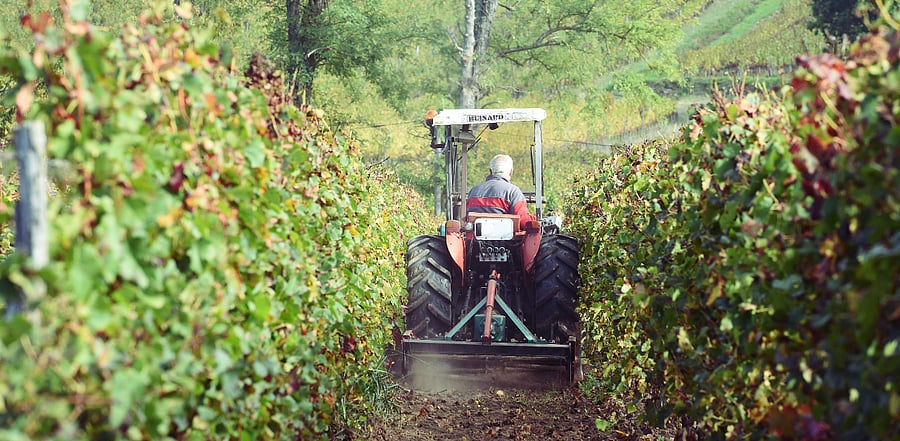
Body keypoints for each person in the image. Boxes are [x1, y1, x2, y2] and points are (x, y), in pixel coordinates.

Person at [466, 154, 536, 229]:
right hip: (505, 240)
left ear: (490, 171)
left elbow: (467, 217)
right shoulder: (513, 192)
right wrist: (535, 220)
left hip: (474, 240)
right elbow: (523, 221)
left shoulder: (473, 191)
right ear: (511, 172)